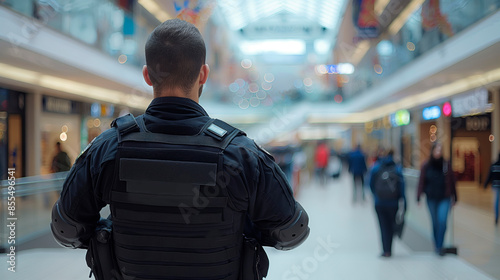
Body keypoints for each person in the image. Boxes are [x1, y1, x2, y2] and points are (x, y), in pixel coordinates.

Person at [50, 19, 309, 280]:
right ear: (203, 74)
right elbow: (291, 231)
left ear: (147, 75)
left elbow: (66, 228)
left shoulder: (108, 148)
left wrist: (111, 231)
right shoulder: (240, 153)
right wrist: (240, 228)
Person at [417, 142, 457, 256]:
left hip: (445, 197)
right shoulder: (426, 165)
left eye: (440, 150)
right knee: (435, 222)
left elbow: (452, 182)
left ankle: (440, 246)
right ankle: (436, 244)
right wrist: (418, 197)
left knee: (442, 221)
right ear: (432, 151)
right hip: (431, 198)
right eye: (436, 150)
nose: (438, 152)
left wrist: (455, 197)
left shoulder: (446, 164)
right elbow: (421, 182)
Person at [370, 150, 406, 257]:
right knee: (391, 224)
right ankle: (390, 248)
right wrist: (403, 201)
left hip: (379, 203)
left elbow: (370, 185)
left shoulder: (376, 168)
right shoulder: (397, 169)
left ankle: (386, 250)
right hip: (393, 203)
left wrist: (376, 195)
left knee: (383, 226)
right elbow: (402, 188)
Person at [484, 152, 500, 225]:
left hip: (495, 185)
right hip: (496, 185)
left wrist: (485, 184)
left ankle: (496, 217)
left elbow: (489, 175)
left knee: (496, 201)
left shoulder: (494, 165)